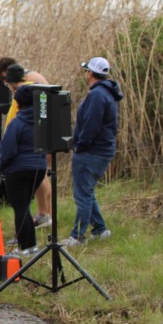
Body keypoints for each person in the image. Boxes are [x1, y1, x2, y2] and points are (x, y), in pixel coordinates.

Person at [63, 56, 123, 246]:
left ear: (90, 73)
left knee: (82, 195)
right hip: (101, 150)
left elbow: (91, 125)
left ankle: (77, 237)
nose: (85, 74)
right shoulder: (106, 92)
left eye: (86, 70)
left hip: (92, 151)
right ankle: (100, 230)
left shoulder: (97, 95)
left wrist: (79, 145)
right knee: (87, 191)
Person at [0, 58, 53, 229]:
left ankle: (45, 213)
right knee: (41, 177)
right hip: (34, 141)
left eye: (6, 81)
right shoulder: (30, 86)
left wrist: (4, 162)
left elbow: (17, 121)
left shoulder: (26, 88)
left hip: (29, 147)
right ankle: (45, 213)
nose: (6, 85)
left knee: (40, 180)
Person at [0, 85, 47, 255]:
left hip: (18, 170)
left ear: (18, 103)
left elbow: (8, 149)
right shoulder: (42, 121)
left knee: (20, 208)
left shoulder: (17, 123)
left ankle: (24, 247)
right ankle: (32, 245)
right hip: (39, 168)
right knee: (25, 206)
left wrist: (2, 165)